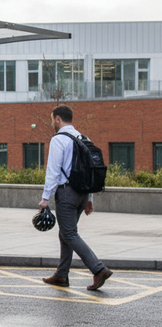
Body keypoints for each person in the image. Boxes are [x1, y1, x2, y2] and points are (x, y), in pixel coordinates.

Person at [39, 105, 112, 291]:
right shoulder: (83, 138)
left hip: (66, 194)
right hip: (81, 194)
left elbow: (53, 171)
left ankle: (98, 269)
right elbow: (89, 172)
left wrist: (45, 198)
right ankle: (61, 275)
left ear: (57, 119)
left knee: (69, 233)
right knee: (66, 233)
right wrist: (89, 199)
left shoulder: (59, 139)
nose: (52, 123)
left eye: (52, 119)